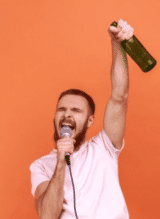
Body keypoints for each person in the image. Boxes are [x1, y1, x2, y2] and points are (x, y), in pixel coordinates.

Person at [29, 18, 134, 219]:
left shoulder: (104, 147)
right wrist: (60, 163)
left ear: (90, 121)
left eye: (76, 111)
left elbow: (119, 96)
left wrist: (117, 44)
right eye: (62, 109)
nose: (67, 114)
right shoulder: (41, 166)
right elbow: (47, 216)